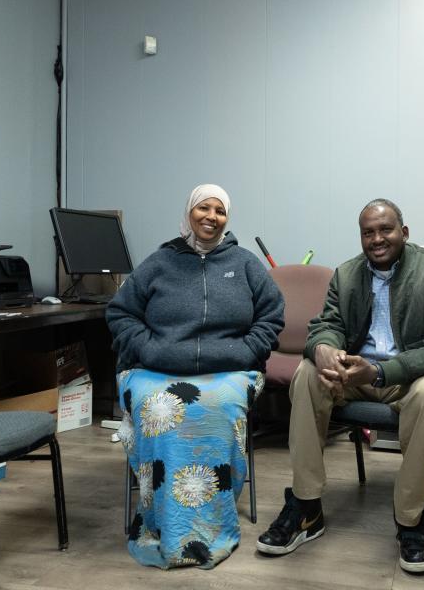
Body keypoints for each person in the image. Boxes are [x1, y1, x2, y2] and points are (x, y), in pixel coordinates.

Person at [256, 198, 424, 573]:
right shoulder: (347, 274)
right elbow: (328, 324)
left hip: (412, 376)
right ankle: (306, 508)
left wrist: (381, 371)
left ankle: (411, 519)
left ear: (404, 232)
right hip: (357, 374)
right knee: (308, 374)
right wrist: (322, 348)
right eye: (368, 232)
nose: (377, 239)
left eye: (385, 230)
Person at [106, 183, 284, 570]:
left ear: (227, 218)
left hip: (229, 370)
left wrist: (247, 351)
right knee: (160, 408)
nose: (211, 217)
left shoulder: (245, 263)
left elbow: (272, 315)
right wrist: (149, 349)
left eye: (220, 211)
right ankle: (164, 524)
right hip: (155, 369)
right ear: (189, 213)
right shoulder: (159, 262)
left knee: (216, 406)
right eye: (204, 208)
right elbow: (120, 313)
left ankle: (208, 526)